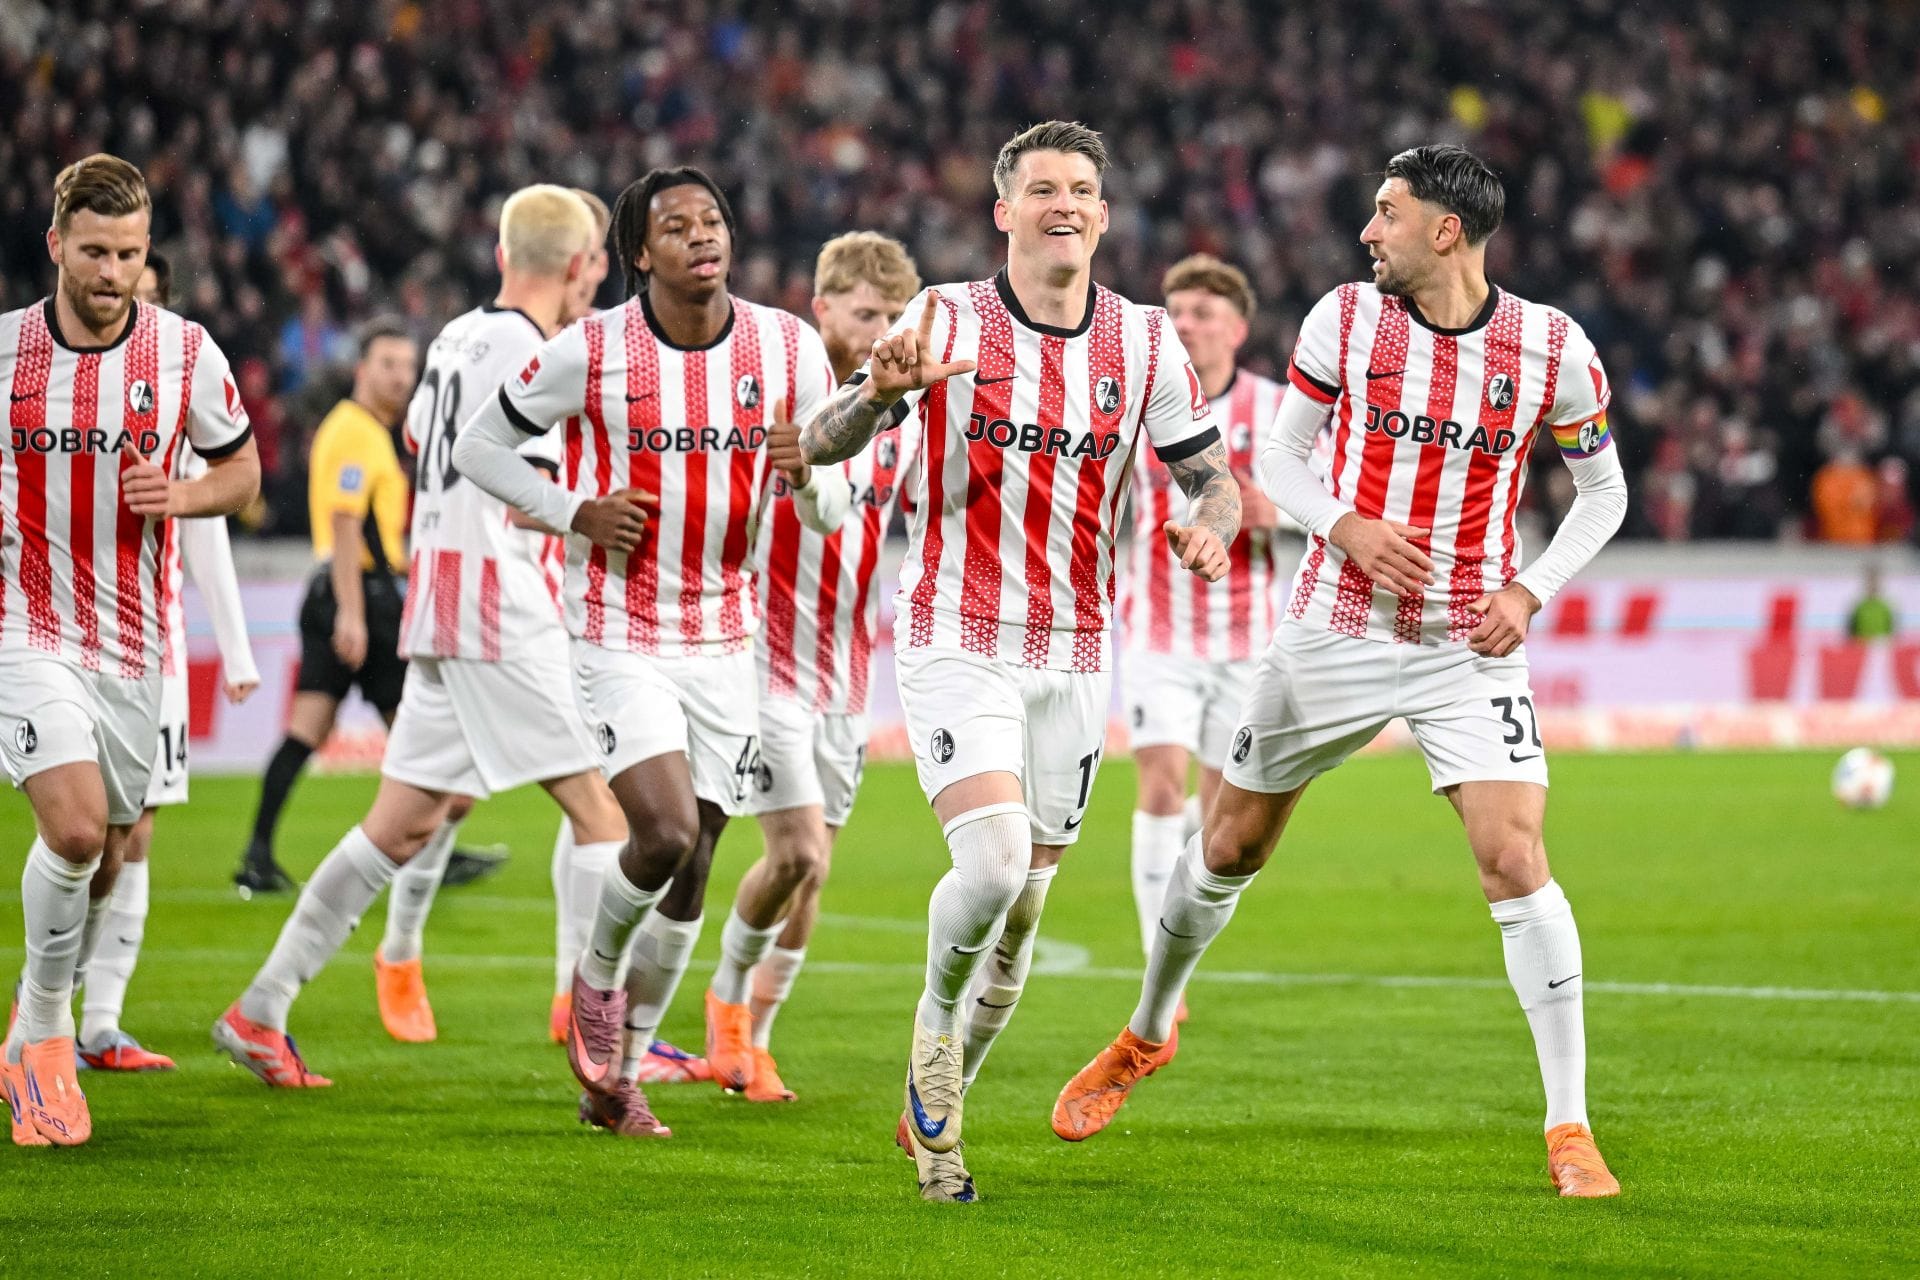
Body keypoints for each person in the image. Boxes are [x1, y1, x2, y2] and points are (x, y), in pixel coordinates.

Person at [1052, 144, 1631, 1200]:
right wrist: (1345, 525)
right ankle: (1145, 1031)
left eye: (1387, 213)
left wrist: (1528, 590)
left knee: (1514, 855)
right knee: (1227, 843)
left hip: (1468, 645)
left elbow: (1603, 493)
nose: (1369, 231)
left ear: (1444, 230)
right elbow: (1277, 459)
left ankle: (1569, 1123)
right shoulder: (1344, 319)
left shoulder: (1552, 346)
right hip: (1331, 631)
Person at [796, 121, 1240, 1202]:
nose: (1065, 204)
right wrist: (877, 393)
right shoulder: (944, 316)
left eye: (1083, 188)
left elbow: (1209, 476)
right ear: (1003, 211)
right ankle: (934, 1036)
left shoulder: (1141, 341)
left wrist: (1215, 521)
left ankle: (935, 1098)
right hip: (958, 632)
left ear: (1103, 211)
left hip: (1078, 652)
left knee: (1029, 905)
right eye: (1042, 188)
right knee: (991, 867)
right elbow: (816, 442)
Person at [454, 166, 849, 1138]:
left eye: (712, 219)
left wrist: (814, 475)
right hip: (618, 629)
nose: (702, 236)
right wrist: (571, 510)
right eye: (677, 227)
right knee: (664, 829)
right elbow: (479, 446)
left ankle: (615, 1080)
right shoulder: (591, 349)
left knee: (697, 859)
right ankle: (593, 978)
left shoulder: (787, 345)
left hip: (728, 637)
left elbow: (836, 505)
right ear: (640, 253)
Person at [212, 185, 626, 1081]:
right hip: (493, 598)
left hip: (438, 595)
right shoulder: (529, 345)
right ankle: (602, 1049)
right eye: (594, 259)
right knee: (607, 819)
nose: (599, 275)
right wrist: (587, 515)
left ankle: (262, 1008)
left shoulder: (455, 336)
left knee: (400, 826)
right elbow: (522, 495)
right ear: (574, 264)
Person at [1, 154, 260, 1147]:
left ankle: (36, 1026)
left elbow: (241, 471)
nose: (113, 272)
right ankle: (44, 1039)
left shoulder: (188, 352)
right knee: (71, 831)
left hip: (138, 646)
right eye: (96, 251)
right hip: (29, 629)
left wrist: (182, 495)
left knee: (108, 853)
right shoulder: (6, 354)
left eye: (131, 253)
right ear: (57, 243)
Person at [686, 230, 921, 1102]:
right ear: (820, 308)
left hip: (848, 668)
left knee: (815, 871)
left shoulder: (904, 411)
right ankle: (725, 1009)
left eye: (897, 315)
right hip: (763, 653)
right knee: (796, 858)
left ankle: (757, 1040)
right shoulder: (782, 396)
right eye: (866, 313)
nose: (883, 330)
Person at [70, 250, 262, 1072]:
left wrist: (237, 642)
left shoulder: (179, 382)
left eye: (143, 293)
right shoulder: (58, 385)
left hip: (157, 641)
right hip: (66, 634)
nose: (123, 302)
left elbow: (208, 520)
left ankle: (99, 1023)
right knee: (89, 836)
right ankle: (45, 1008)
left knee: (137, 832)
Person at [1120, 254, 1293, 1008]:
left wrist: (1275, 513)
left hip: (1246, 644)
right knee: (1160, 784)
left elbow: (1333, 503)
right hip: (1157, 634)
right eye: (1177, 312)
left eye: (1203, 313)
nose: (1186, 324)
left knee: (1225, 824)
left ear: (1237, 328)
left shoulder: (1277, 408)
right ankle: (1157, 957)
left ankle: (1179, 946)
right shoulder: (1141, 399)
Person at [232, 317, 418, 894]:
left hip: (342, 591)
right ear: (361, 369)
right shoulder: (354, 430)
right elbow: (344, 521)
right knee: (416, 731)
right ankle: (430, 847)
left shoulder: (364, 430)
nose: (401, 377)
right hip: (358, 593)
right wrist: (354, 611)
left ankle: (257, 853)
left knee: (308, 729)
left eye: (408, 367)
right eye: (388, 364)